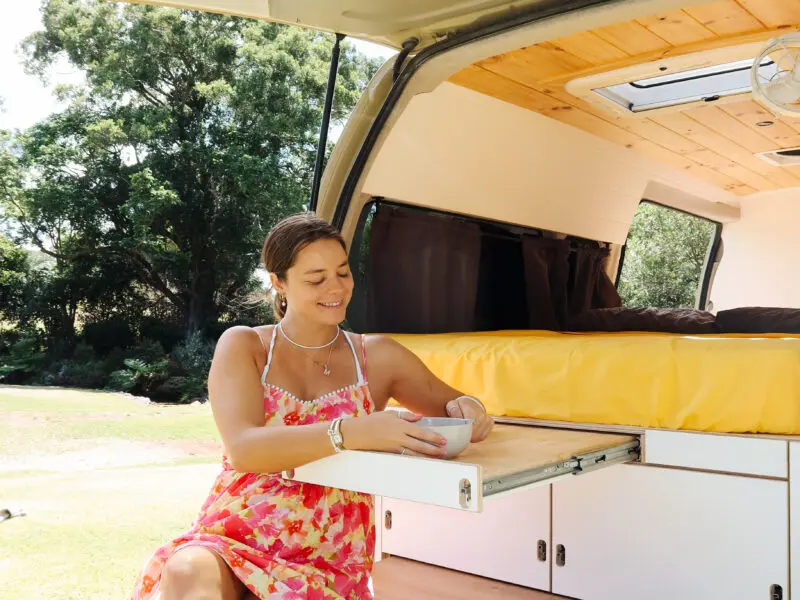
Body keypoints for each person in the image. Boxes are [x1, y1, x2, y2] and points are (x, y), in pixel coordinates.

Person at [131, 212, 494, 600]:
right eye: (316, 279)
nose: (336, 288)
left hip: (330, 553)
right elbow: (244, 449)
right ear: (279, 283)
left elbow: (454, 405)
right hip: (239, 533)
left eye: (343, 272)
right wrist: (352, 432)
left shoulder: (378, 357)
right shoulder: (246, 346)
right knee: (187, 568)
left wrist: (470, 409)